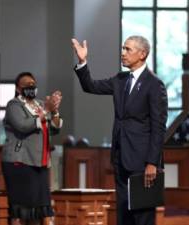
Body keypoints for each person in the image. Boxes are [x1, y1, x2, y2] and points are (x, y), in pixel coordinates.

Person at [72, 35, 168, 225]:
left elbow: (158, 127)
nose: (122, 53)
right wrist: (82, 62)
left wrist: (152, 163)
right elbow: (90, 86)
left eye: (128, 49)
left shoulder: (154, 85)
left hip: (142, 163)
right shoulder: (120, 79)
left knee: (142, 217)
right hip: (121, 158)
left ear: (142, 54)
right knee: (124, 217)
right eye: (123, 48)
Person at [1, 72, 63, 225]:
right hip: (20, 162)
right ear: (18, 88)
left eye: (33, 84)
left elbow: (55, 128)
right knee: (20, 209)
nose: (31, 87)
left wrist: (54, 110)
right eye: (27, 85)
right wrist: (46, 111)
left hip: (40, 163)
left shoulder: (41, 104)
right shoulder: (14, 105)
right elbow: (22, 126)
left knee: (40, 208)